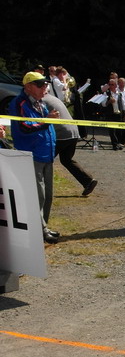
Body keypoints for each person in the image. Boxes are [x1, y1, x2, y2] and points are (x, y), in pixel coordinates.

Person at [8, 72, 60, 243]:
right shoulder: (19, 103)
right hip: (32, 154)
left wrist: (48, 121)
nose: (44, 88)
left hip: (47, 154)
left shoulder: (41, 103)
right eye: (40, 85)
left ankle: (43, 227)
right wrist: (46, 120)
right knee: (38, 195)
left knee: (48, 196)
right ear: (28, 86)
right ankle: (40, 230)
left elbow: (44, 124)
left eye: (45, 84)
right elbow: (24, 127)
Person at [43, 93, 98, 197]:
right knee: (66, 160)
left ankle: (42, 189)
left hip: (62, 134)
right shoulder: (53, 98)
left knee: (44, 161)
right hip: (73, 132)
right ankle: (88, 181)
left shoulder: (40, 101)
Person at [101, 78, 125, 150]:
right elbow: (103, 104)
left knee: (119, 130)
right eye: (109, 84)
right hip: (110, 114)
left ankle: (118, 143)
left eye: (112, 84)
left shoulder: (120, 94)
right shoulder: (106, 93)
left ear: (116, 85)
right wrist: (109, 102)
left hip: (118, 114)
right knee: (112, 131)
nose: (111, 86)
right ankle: (114, 144)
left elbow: (123, 104)